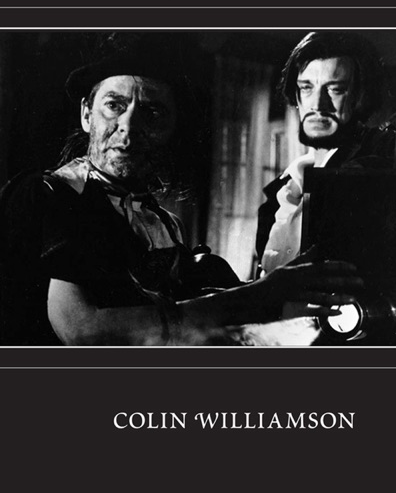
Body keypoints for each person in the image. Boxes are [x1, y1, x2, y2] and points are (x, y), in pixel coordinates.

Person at [0, 38, 362, 346]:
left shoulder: (163, 223)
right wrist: (257, 296)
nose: (129, 126)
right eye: (114, 105)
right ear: (85, 115)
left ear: (173, 128)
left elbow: (177, 322)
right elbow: (83, 331)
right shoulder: (51, 196)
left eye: (152, 112)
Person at [256, 30, 395, 275]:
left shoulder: (370, 173)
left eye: (335, 89)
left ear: (361, 97)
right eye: (306, 88)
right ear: (296, 96)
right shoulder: (282, 188)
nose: (318, 105)